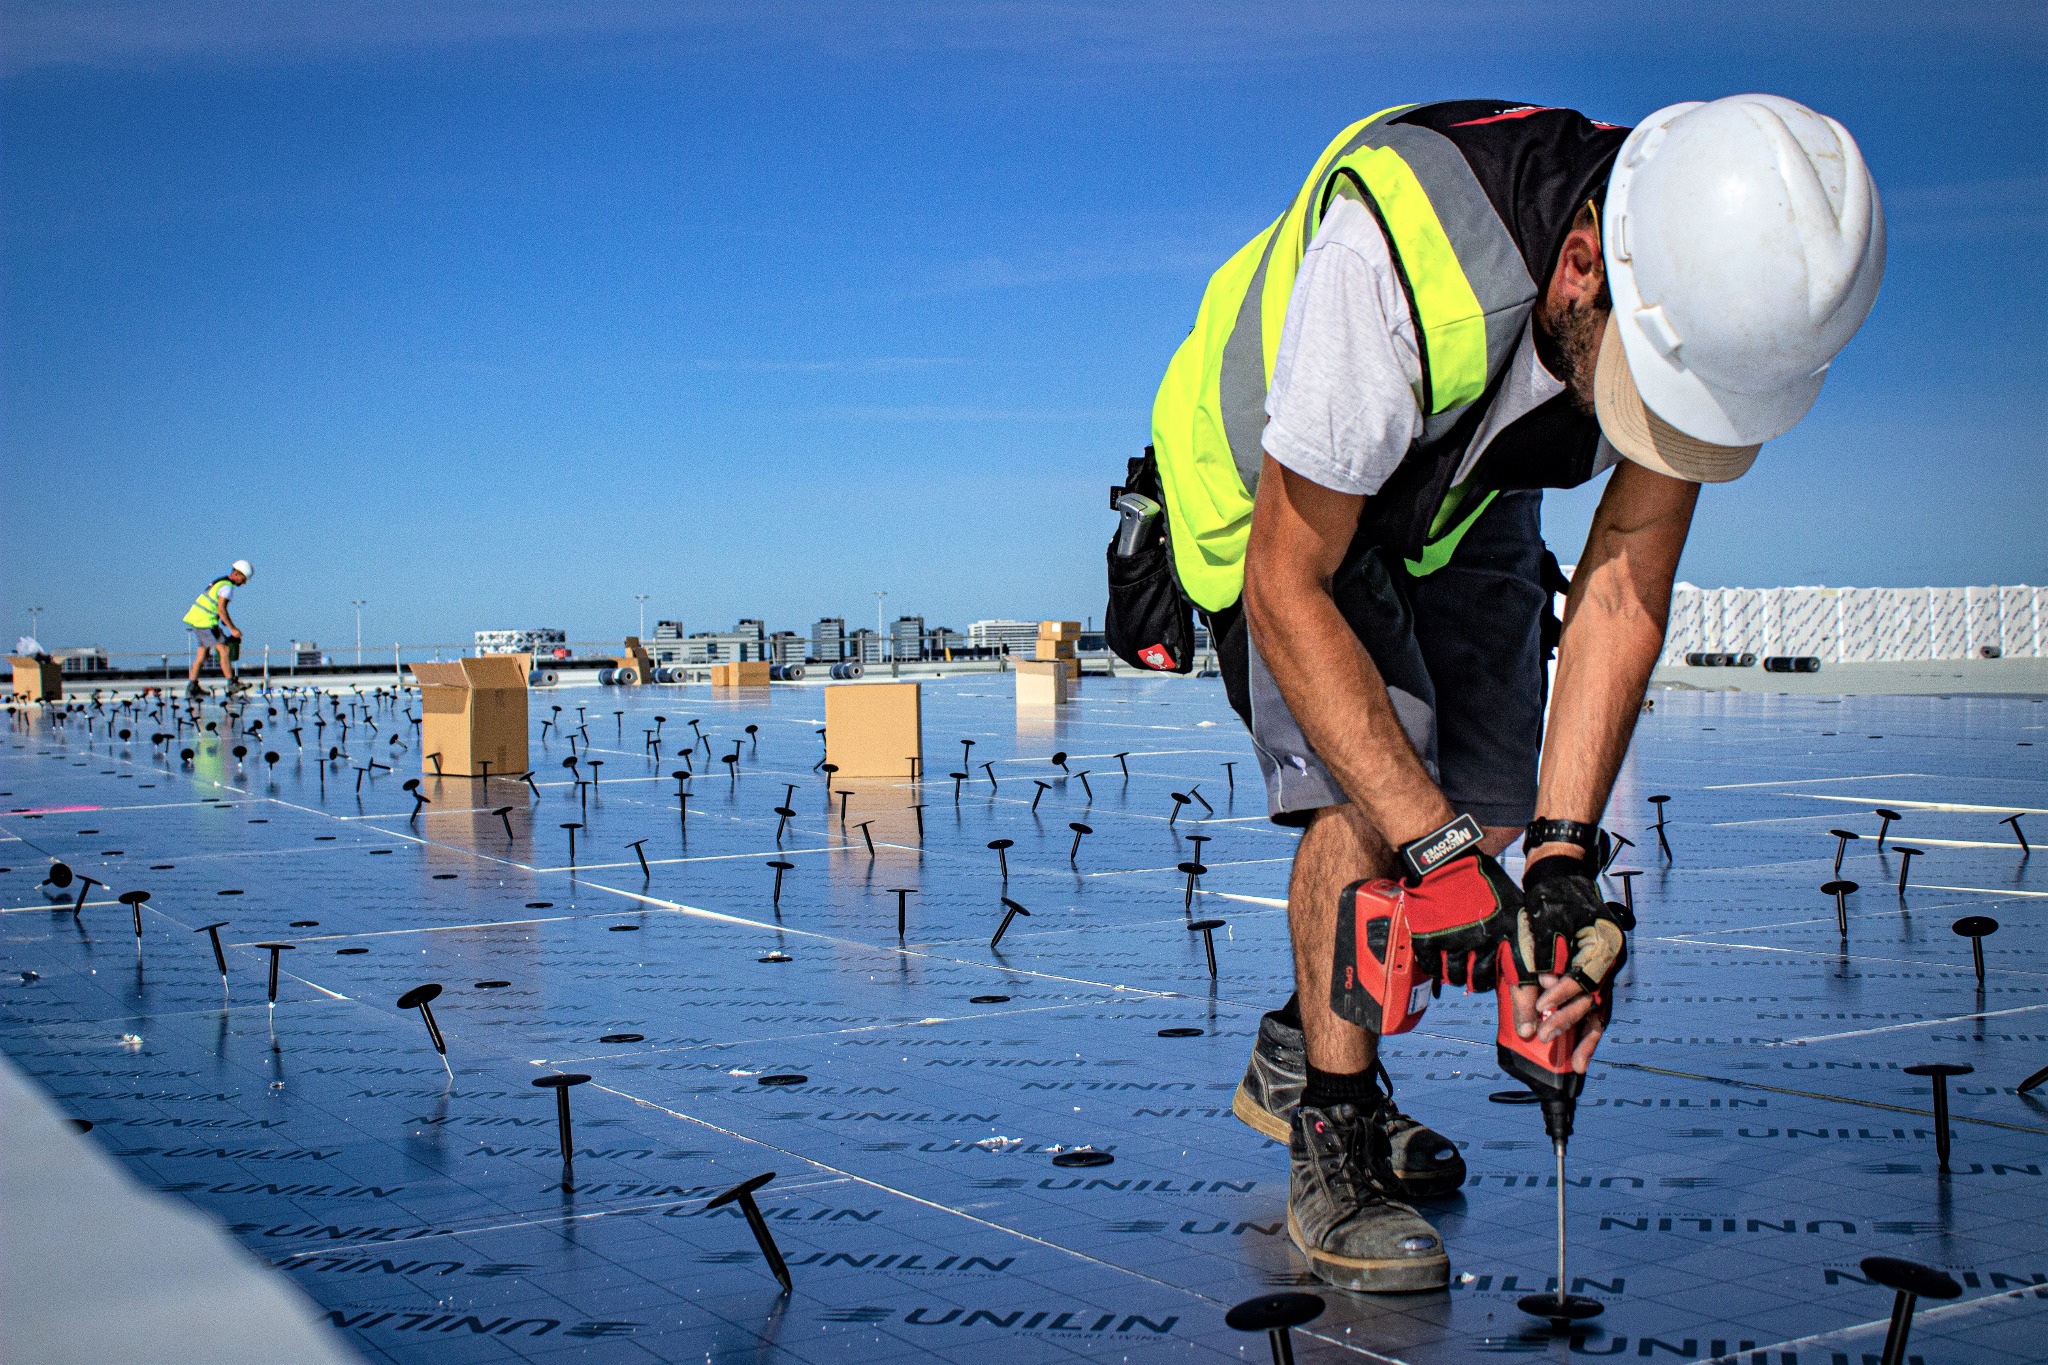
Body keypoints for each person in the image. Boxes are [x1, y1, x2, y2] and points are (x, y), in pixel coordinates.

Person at [1147, 97, 1883, 1292]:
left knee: (1484, 807)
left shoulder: (1685, 289)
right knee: (1373, 794)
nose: (1649, 425)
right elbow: (1291, 584)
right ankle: (1331, 1125)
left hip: (1460, 482)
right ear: (1579, 265)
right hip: (1274, 490)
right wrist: (1427, 846)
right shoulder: (1395, 260)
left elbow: (1620, 592)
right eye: (1647, 392)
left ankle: (1294, 1044)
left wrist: (1558, 866)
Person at [182, 560, 252, 698]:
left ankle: (192, 686)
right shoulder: (227, 587)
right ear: (237, 574)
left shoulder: (220, 582)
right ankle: (232, 683)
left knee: (203, 655)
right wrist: (233, 629)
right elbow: (222, 609)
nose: (243, 583)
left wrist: (225, 622)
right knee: (224, 650)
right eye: (243, 579)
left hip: (198, 620)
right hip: (206, 622)